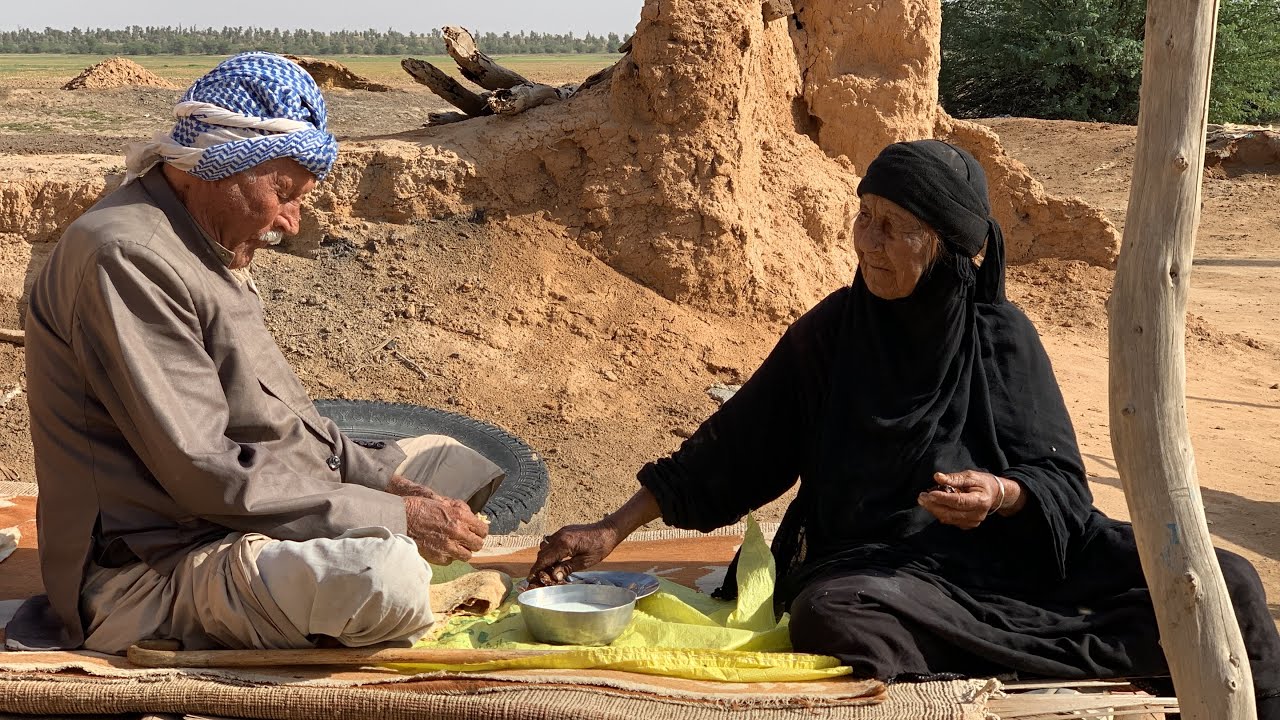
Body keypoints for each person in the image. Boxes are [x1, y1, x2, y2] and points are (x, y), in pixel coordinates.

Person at [530, 140, 1280, 717]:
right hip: (882, 569)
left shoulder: (1001, 338)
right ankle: (1060, 656)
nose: (866, 241)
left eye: (894, 228)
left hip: (1015, 564)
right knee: (831, 616)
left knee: (1228, 584)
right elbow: (732, 450)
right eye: (863, 217)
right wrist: (610, 529)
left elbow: (1059, 488)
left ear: (944, 246)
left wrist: (1003, 495)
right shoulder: (832, 334)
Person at [12, 53, 500, 654]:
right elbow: (208, 473)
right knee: (382, 579)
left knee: (458, 466)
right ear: (214, 164)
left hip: (247, 513)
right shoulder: (129, 257)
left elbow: (291, 424)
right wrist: (397, 520)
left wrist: (393, 489)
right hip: (160, 565)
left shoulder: (209, 242)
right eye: (283, 192)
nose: (292, 223)